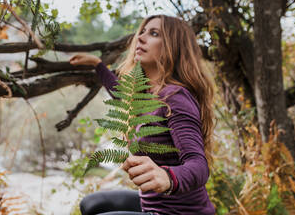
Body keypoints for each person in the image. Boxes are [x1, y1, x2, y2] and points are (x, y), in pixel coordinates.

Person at [69, 15, 216, 215]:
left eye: (154, 33)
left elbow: (199, 165)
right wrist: (97, 64)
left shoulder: (175, 97)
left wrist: (168, 177)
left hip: (180, 213)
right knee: (91, 204)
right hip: (152, 205)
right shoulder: (146, 94)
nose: (141, 38)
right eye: (143, 32)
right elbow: (120, 94)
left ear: (173, 46)